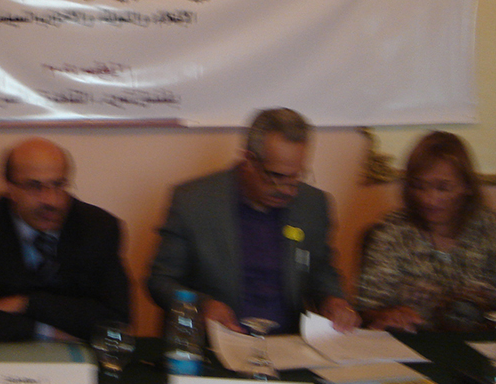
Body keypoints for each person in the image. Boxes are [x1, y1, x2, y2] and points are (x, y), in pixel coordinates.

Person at [147, 108, 359, 334]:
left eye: (296, 176)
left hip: (288, 342)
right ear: (248, 160)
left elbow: (321, 271)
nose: (288, 190)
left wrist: (333, 300)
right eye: (277, 176)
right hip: (216, 341)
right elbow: (161, 281)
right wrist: (202, 306)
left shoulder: (313, 204)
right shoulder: (194, 202)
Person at [0, 137, 130, 342]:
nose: (51, 200)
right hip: (0, 354)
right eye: (34, 186)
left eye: (58, 185)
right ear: (9, 189)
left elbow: (116, 324)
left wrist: (27, 303)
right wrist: (44, 332)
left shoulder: (98, 227)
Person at [356, 131, 496, 332]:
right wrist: (387, 315)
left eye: (443, 188)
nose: (429, 199)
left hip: (480, 342)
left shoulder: (489, 227)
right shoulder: (392, 231)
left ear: (467, 186)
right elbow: (367, 309)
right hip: (413, 341)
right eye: (419, 186)